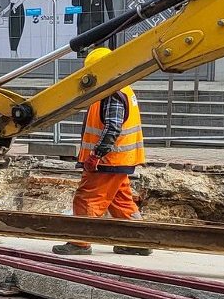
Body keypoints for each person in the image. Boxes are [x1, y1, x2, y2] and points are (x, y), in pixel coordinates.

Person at [53, 47, 151, 257]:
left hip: (107, 160)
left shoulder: (111, 93)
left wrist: (96, 155)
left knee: (87, 198)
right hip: (119, 159)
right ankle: (138, 241)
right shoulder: (124, 88)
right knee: (121, 200)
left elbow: (112, 127)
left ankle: (79, 242)